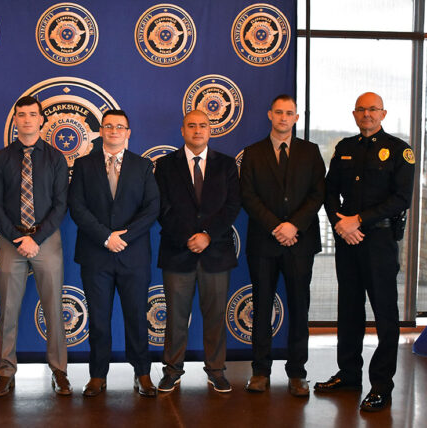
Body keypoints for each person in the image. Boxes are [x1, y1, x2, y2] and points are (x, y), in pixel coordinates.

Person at [315, 92, 415, 412]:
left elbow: (402, 198)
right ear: (354, 114)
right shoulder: (345, 148)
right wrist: (340, 224)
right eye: (362, 109)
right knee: (349, 311)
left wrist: (358, 219)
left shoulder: (400, 150)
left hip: (380, 242)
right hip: (348, 241)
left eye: (373, 109)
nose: (367, 114)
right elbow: (329, 192)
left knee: (385, 315)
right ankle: (348, 374)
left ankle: (381, 385)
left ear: (383, 113)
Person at [68, 110, 160, 397]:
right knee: (98, 319)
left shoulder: (143, 166)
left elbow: (152, 208)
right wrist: (106, 237)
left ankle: (142, 373)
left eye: (120, 127)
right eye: (109, 126)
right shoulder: (83, 165)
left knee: (136, 317)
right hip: (96, 254)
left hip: (133, 256)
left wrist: (125, 237)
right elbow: (77, 207)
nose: (114, 131)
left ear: (128, 132)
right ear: (101, 131)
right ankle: (97, 375)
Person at [239, 95, 326, 397]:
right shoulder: (252, 153)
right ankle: (260, 371)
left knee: (299, 308)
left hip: (299, 243)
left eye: (289, 113)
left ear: (296, 118)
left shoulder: (311, 152)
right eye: (279, 112)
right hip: (264, 242)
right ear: (269, 115)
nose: (284, 118)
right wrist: (276, 227)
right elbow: (247, 196)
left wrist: (293, 226)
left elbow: (318, 194)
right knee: (261, 308)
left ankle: (297, 373)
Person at [0, 96, 71, 396]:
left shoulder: (56, 158)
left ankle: (59, 371)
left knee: (53, 309)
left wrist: (36, 238)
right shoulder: (1, 158)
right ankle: (6, 372)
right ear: (16, 120)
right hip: (12, 241)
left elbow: (61, 205)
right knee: (8, 310)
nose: (26, 120)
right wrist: (17, 237)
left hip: (46, 241)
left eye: (32, 115)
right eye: (20, 115)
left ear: (41, 120)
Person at [155, 110, 241, 394]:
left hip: (215, 253)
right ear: (182, 131)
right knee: (176, 316)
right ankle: (172, 370)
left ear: (210, 130)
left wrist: (207, 235)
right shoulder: (166, 165)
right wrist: (187, 238)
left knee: (215, 315)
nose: (197, 130)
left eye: (203, 125)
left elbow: (232, 207)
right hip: (178, 252)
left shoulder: (227, 165)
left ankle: (216, 370)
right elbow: (162, 208)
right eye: (191, 126)